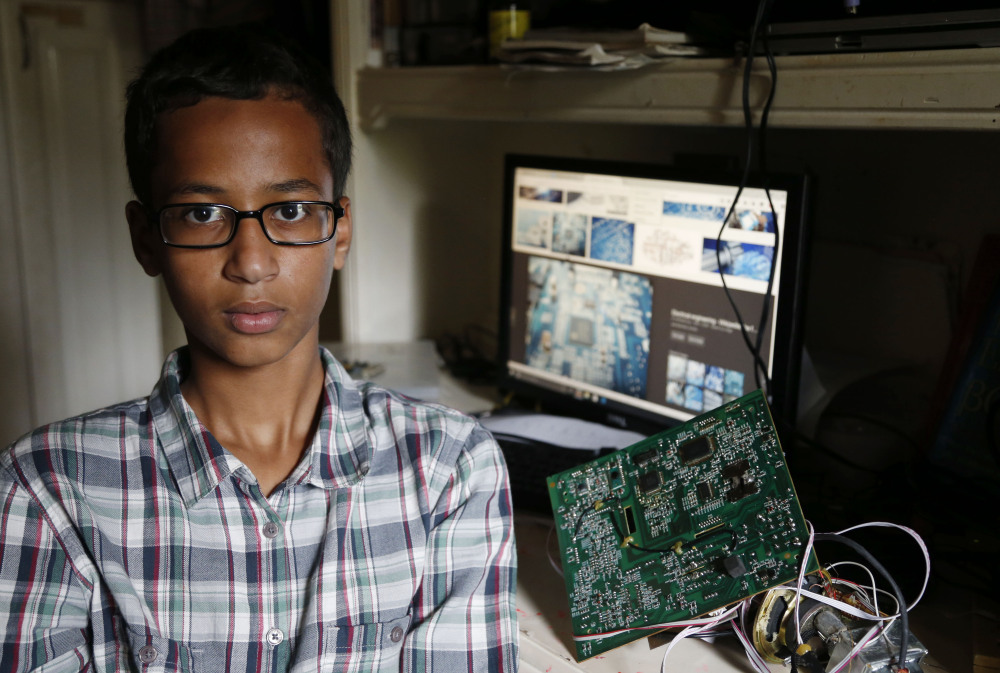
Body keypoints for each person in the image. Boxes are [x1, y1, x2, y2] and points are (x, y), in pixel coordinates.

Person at [0, 23, 518, 672]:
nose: (251, 262)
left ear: (341, 229)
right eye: (201, 214)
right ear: (146, 239)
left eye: (293, 212)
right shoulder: (51, 487)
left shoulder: (448, 468)